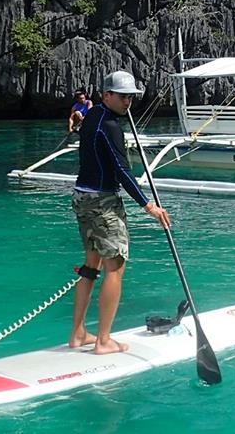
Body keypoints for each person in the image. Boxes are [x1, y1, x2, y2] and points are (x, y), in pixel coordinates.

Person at [68, 70, 170, 355]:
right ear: (106, 95)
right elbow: (122, 171)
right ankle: (103, 340)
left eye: (131, 97)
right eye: (123, 96)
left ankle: (77, 334)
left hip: (82, 197)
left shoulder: (92, 117)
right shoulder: (110, 126)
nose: (128, 102)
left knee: (91, 266)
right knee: (115, 267)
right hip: (102, 202)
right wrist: (148, 206)